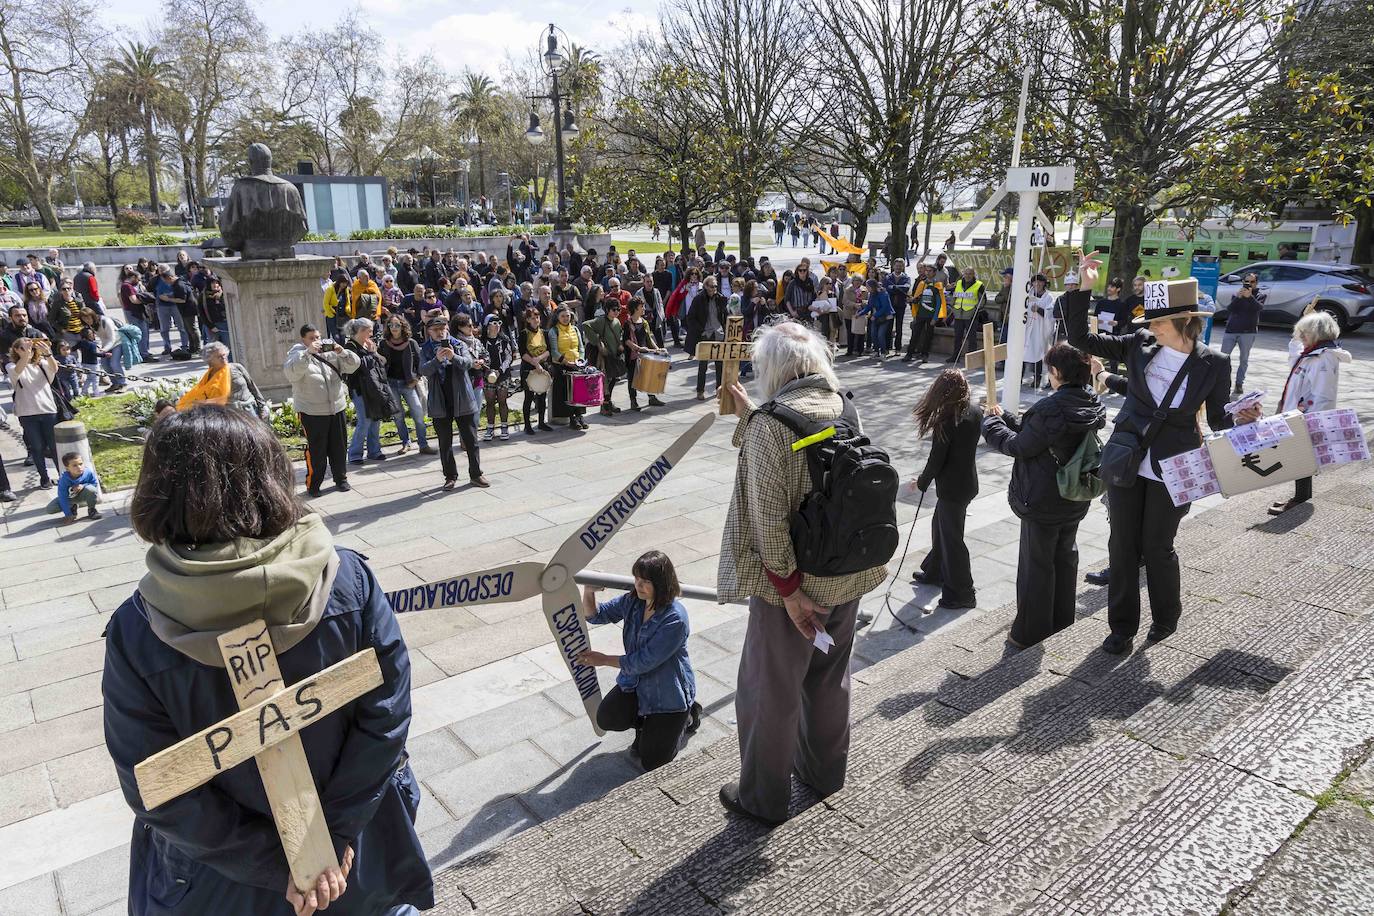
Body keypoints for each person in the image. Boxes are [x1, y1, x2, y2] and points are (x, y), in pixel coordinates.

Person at [103, 406, 434, 916]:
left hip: (221, 882)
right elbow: (387, 716)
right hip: (359, 860)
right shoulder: (346, 578)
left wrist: (277, 867)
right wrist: (333, 841)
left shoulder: (137, 628)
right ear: (270, 475)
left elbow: (150, 781)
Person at [715, 321, 888, 826]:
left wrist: (789, 592)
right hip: (848, 573)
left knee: (770, 690)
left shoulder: (772, 426)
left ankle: (762, 798)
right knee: (830, 679)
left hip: (793, 588)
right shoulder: (846, 407)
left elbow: (769, 522)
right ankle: (824, 772)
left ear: (773, 370)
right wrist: (752, 414)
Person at [1064, 276, 1256, 655]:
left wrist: (1243, 418)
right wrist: (1079, 290)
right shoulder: (1140, 345)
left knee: (1157, 546)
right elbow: (1081, 341)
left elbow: (1218, 419)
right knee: (1121, 546)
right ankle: (1121, 628)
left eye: (1158, 322)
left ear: (1185, 321)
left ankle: (1166, 617)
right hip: (1127, 459)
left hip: (1177, 465)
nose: (1150, 328)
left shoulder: (1214, 364)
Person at [982, 343, 1105, 647]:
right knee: (1065, 559)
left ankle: (1029, 633)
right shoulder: (1090, 399)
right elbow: (1034, 431)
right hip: (1074, 494)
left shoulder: (1051, 408)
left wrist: (991, 424)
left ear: (1057, 372)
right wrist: (1006, 417)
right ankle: (1061, 622)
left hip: (1042, 497)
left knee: (1036, 567)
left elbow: (1019, 446)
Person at [576, 551, 703, 771]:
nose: (638, 585)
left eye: (645, 582)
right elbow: (596, 615)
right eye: (636, 579)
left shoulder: (675, 618)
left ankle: (688, 715)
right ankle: (646, 724)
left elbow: (643, 661)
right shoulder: (634, 601)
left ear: (661, 583)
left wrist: (604, 659)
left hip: (667, 694)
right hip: (636, 683)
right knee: (607, 718)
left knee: (652, 761)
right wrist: (588, 590)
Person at [909, 369, 982, 610]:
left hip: (952, 488)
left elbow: (936, 459)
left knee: (952, 539)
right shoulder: (973, 411)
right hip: (966, 483)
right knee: (940, 526)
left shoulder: (948, 420)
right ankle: (935, 570)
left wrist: (920, 482)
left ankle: (962, 592)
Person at [1272, 309, 1350, 515]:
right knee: (1300, 457)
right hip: (1298, 415)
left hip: (1306, 418)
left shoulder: (1323, 358)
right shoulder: (1312, 354)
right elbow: (1293, 356)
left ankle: (1300, 498)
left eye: (1304, 333)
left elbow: (1323, 395)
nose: (1301, 337)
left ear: (1317, 334)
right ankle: (1299, 497)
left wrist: (1308, 421)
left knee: (1303, 458)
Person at [284, 323, 360, 496]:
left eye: (317, 337)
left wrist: (342, 351)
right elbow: (292, 374)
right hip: (312, 411)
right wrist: (308, 353)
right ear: (303, 340)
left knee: (339, 447)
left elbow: (354, 365)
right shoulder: (296, 355)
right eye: (311, 338)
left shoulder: (331, 351)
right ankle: (314, 484)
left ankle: (341, 479)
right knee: (317, 451)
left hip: (337, 407)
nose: (316, 341)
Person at [419, 314, 489, 490]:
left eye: (442, 329)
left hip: (462, 398)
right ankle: (450, 476)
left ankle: (476, 474)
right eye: (436, 330)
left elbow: (468, 363)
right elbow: (423, 370)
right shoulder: (425, 349)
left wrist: (453, 357)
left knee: (471, 440)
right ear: (429, 332)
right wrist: (436, 359)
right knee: (445, 442)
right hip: (440, 400)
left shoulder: (458, 344)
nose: (440, 333)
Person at [8, 336, 60, 488]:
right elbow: (18, 370)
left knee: (54, 446)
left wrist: (47, 353)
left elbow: (54, 369)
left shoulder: (41, 364)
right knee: (37, 447)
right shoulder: (11, 366)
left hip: (48, 410)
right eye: (23, 347)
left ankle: (63, 476)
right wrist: (25, 355)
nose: (29, 349)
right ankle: (44, 478)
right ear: (16, 350)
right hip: (27, 413)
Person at [381, 315, 433, 456]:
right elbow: (381, 364)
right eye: (391, 325)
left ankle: (423, 444)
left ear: (403, 326)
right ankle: (406, 443)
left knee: (418, 413)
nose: (394, 328)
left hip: (408, 383)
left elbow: (420, 363)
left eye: (397, 325)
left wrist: (416, 378)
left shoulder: (411, 343)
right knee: (398, 416)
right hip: (391, 383)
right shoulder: (384, 344)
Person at [343, 318, 391, 464]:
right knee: (365, 420)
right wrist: (370, 354)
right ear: (361, 331)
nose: (371, 333)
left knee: (375, 418)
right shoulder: (350, 346)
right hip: (359, 388)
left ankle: (374, 451)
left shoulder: (368, 345)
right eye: (369, 330)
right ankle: (354, 453)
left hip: (374, 387)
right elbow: (360, 367)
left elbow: (380, 363)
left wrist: (374, 353)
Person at [547, 305, 589, 431]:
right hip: (562, 366)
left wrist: (580, 359)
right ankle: (572, 419)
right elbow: (554, 351)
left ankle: (580, 416)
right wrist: (566, 362)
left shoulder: (575, 329)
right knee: (567, 393)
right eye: (563, 316)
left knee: (579, 392)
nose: (566, 318)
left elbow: (581, 347)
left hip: (577, 364)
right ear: (557, 317)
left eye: (568, 316)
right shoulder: (554, 331)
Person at [685, 276, 727, 401]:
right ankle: (700, 391)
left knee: (720, 364)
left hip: (718, 334)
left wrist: (724, 328)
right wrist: (701, 330)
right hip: (705, 335)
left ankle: (719, 389)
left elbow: (724, 314)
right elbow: (690, 318)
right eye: (712, 286)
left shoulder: (720, 298)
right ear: (706, 286)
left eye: (715, 286)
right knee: (703, 364)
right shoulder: (699, 299)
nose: (714, 288)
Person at [583, 298, 626, 417]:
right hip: (603, 357)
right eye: (613, 309)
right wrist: (597, 342)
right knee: (605, 380)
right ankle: (604, 405)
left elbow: (619, 335)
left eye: (618, 309)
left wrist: (620, 346)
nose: (616, 312)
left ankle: (608, 401)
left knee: (613, 379)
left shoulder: (617, 321)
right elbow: (585, 325)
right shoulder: (601, 321)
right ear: (607, 310)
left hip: (614, 355)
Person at [1221, 273, 1263, 395]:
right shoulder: (1236, 294)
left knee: (1243, 359)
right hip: (1231, 330)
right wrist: (1239, 297)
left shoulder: (1260, 295)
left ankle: (1239, 384)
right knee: (1223, 358)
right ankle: (1223, 383)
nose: (1249, 284)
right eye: (1247, 281)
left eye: (1252, 282)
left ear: (1256, 283)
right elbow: (1230, 309)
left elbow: (1259, 308)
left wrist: (1250, 297)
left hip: (1248, 332)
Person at [622, 297, 667, 411]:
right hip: (633, 356)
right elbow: (626, 340)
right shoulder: (628, 323)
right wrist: (638, 348)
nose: (644, 309)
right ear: (635, 308)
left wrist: (658, 349)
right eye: (642, 306)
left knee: (648, 375)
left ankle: (651, 397)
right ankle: (633, 401)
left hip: (645, 354)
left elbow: (648, 338)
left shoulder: (644, 322)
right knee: (632, 378)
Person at [518, 306, 554, 435]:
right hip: (529, 369)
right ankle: (527, 425)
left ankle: (541, 422)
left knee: (542, 396)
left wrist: (539, 361)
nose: (536, 320)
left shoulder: (544, 332)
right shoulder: (523, 333)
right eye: (532, 318)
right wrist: (535, 363)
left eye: (537, 317)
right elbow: (522, 353)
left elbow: (548, 350)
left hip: (542, 368)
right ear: (527, 320)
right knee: (529, 397)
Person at [480, 315, 516, 440]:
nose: (496, 326)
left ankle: (504, 426)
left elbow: (508, 357)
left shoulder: (504, 340)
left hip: (502, 375)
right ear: (487, 325)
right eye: (493, 323)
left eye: (498, 323)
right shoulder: (482, 341)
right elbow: (479, 357)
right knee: (490, 403)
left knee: (502, 401)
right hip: (487, 375)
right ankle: (490, 428)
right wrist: (487, 369)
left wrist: (500, 371)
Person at [902, 264, 947, 363]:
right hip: (920, 314)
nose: (927, 272)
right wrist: (913, 300)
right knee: (915, 335)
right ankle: (909, 354)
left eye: (930, 271)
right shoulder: (922, 284)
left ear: (934, 273)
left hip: (931, 316)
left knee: (928, 336)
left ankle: (925, 354)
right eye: (926, 271)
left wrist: (935, 318)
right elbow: (918, 298)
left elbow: (939, 302)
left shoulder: (937, 285)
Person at [1023, 273, 1056, 389]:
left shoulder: (1048, 297)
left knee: (1037, 353)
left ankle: (1037, 379)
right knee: (1023, 351)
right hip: (1027, 327)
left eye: (1040, 282)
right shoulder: (1028, 294)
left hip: (1040, 328)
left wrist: (1039, 309)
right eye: (1034, 282)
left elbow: (1051, 314)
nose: (1037, 284)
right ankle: (1019, 376)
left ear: (1044, 283)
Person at [47, 451, 100, 523]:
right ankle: (72, 507)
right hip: (70, 498)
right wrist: (68, 514)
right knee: (50, 509)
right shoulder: (64, 479)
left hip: (83, 495)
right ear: (67, 468)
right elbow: (62, 497)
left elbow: (94, 484)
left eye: (81, 464)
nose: (79, 467)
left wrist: (83, 485)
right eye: (74, 465)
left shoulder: (88, 472)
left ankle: (92, 510)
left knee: (91, 489)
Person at [153, 266, 191, 356]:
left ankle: (185, 346)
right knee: (164, 329)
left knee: (181, 327)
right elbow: (149, 289)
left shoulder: (176, 279)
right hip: (161, 306)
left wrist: (168, 297)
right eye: (160, 269)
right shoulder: (155, 279)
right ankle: (167, 347)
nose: (162, 271)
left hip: (175, 305)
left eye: (164, 269)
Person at [856, 279, 894, 359]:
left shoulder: (883, 293)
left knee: (880, 335)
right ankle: (876, 351)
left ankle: (883, 352)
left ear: (872, 286)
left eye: (868, 286)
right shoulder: (871, 294)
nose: (867, 288)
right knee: (873, 335)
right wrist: (859, 314)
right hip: (875, 317)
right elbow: (869, 307)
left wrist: (875, 315)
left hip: (885, 317)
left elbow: (884, 307)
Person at [323, 275, 350, 342]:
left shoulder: (345, 289)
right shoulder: (330, 289)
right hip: (332, 315)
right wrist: (330, 314)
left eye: (346, 283)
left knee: (343, 337)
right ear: (339, 282)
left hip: (341, 316)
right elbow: (325, 303)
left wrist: (347, 309)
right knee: (336, 337)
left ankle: (342, 351)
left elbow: (348, 301)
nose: (344, 285)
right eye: (343, 283)